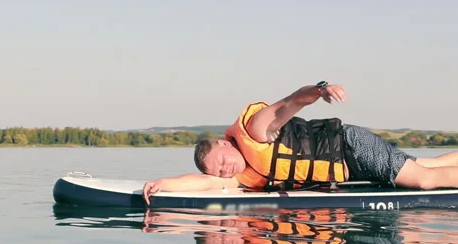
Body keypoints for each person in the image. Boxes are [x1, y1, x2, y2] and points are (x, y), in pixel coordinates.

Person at [143, 81, 458, 203]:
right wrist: (162, 183)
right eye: (220, 172)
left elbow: (290, 102)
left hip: (350, 148)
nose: (225, 172)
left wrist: (320, 90)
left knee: (425, 180)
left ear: (225, 145)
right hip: (349, 168)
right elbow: (202, 184)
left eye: (223, 164)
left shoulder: (255, 130)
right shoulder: (239, 177)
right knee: (423, 164)